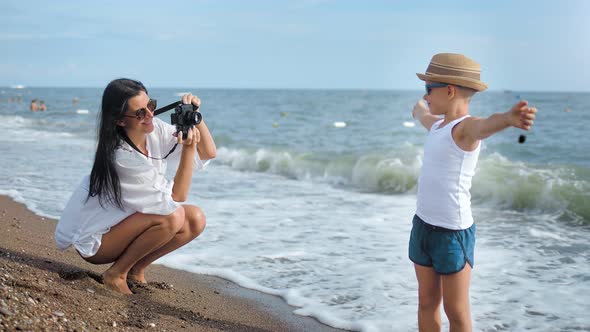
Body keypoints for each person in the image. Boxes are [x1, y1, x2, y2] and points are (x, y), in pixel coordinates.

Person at [408, 53, 537, 331]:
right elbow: (425, 117)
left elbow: (485, 125)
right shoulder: (439, 126)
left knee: (456, 310)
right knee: (426, 303)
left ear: (450, 90)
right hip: (422, 226)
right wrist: (419, 109)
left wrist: (507, 119)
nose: (426, 95)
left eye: (428, 89)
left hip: (452, 233)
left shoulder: (465, 128)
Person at [55, 78, 216, 294]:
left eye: (151, 106)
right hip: (98, 240)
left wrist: (195, 117)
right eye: (140, 113)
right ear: (120, 120)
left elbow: (208, 153)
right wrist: (188, 148)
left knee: (195, 219)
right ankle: (116, 274)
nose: (150, 116)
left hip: (127, 224)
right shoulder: (121, 157)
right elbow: (178, 196)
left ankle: (135, 269)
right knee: (173, 216)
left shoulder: (154, 129)